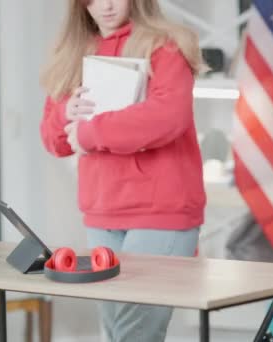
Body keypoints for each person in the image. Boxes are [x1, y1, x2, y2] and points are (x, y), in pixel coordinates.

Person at [39, 0, 206, 341]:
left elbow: (167, 117)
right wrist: (65, 114)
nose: (107, 5)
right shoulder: (75, 52)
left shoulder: (165, 45)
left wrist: (90, 131)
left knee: (136, 333)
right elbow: (54, 141)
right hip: (102, 213)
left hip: (162, 210)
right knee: (116, 332)